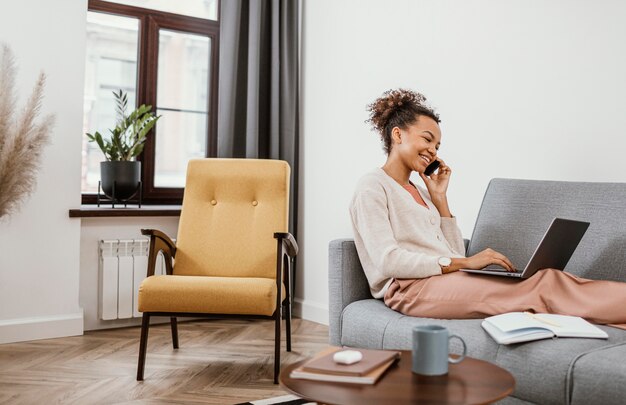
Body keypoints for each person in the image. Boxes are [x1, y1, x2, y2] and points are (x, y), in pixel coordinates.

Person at [350, 88, 626, 329]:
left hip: (443, 280)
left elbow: (453, 253)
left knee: (545, 278)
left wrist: (440, 199)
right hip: (409, 288)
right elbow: (387, 260)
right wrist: (465, 263)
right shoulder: (372, 186)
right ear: (398, 135)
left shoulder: (421, 192)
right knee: (543, 288)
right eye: (427, 139)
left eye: (437, 145)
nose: (433, 150)